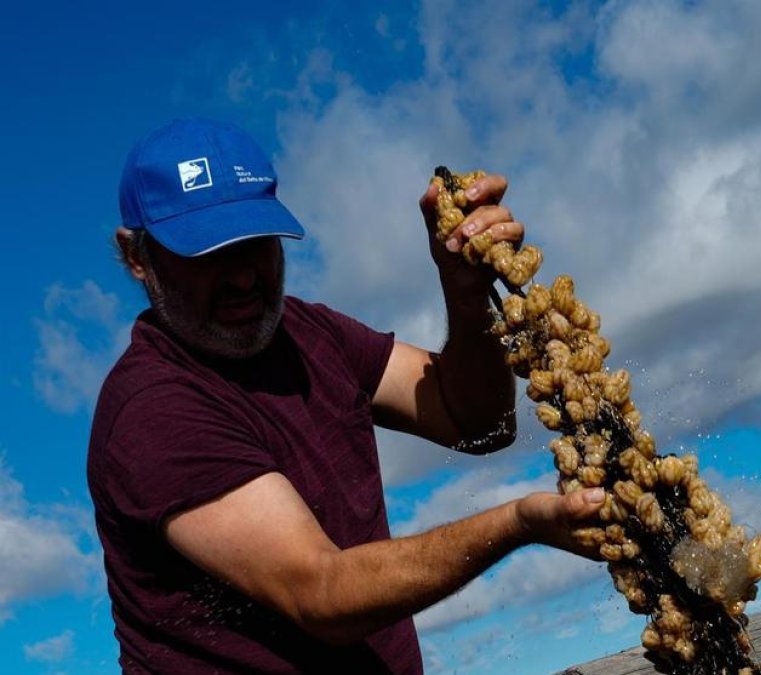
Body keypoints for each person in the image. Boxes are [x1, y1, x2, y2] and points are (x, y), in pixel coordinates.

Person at [87, 118, 604, 673]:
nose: (242, 279)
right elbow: (320, 593)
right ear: (138, 257)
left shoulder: (311, 334)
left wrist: (465, 289)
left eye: (255, 245)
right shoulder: (152, 410)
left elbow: (475, 421)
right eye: (207, 254)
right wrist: (518, 524)